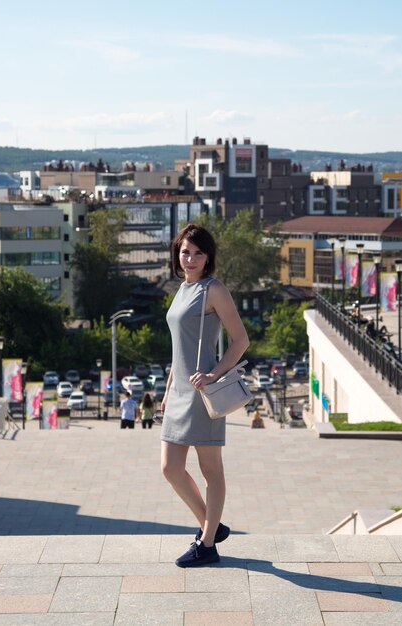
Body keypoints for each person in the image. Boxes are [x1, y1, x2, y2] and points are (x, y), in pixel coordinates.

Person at [160, 223, 250, 568]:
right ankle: (212, 525)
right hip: (179, 392)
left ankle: (207, 543)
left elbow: (241, 340)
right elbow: (177, 351)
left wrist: (214, 374)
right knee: (170, 468)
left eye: (198, 253)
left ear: (208, 256)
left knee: (211, 469)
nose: (191, 258)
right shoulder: (182, 288)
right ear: (177, 254)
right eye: (186, 252)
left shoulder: (213, 290)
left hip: (202, 393)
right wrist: (168, 392)